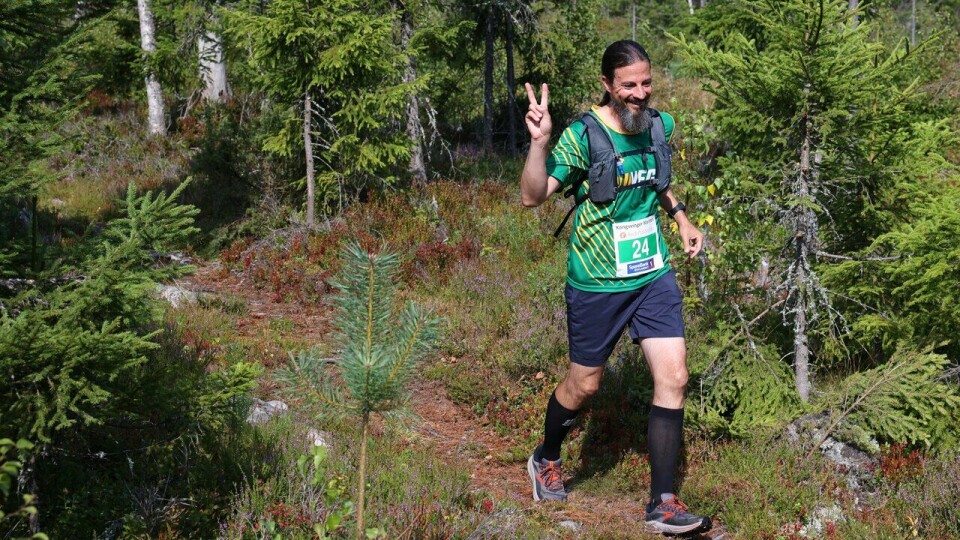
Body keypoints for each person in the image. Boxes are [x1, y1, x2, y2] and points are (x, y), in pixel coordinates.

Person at [520, 40, 710, 535]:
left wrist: (682, 218)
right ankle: (546, 456)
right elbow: (532, 196)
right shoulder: (584, 136)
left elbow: (655, 179)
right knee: (585, 384)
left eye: (646, 83)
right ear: (606, 84)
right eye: (629, 85)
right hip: (598, 281)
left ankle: (662, 504)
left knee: (675, 376)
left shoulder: (659, 125)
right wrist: (539, 144)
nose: (640, 94)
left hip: (652, 274)